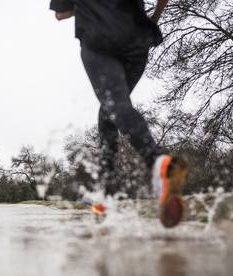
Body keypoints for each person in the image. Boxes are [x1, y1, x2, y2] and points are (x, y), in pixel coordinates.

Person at [50, 0, 187, 228]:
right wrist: (153, 20)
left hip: (99, 37)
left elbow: (61, 14)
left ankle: (159, 163)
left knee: (115, 104)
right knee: (108, 113)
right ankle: (104, 193)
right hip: (137, 41)